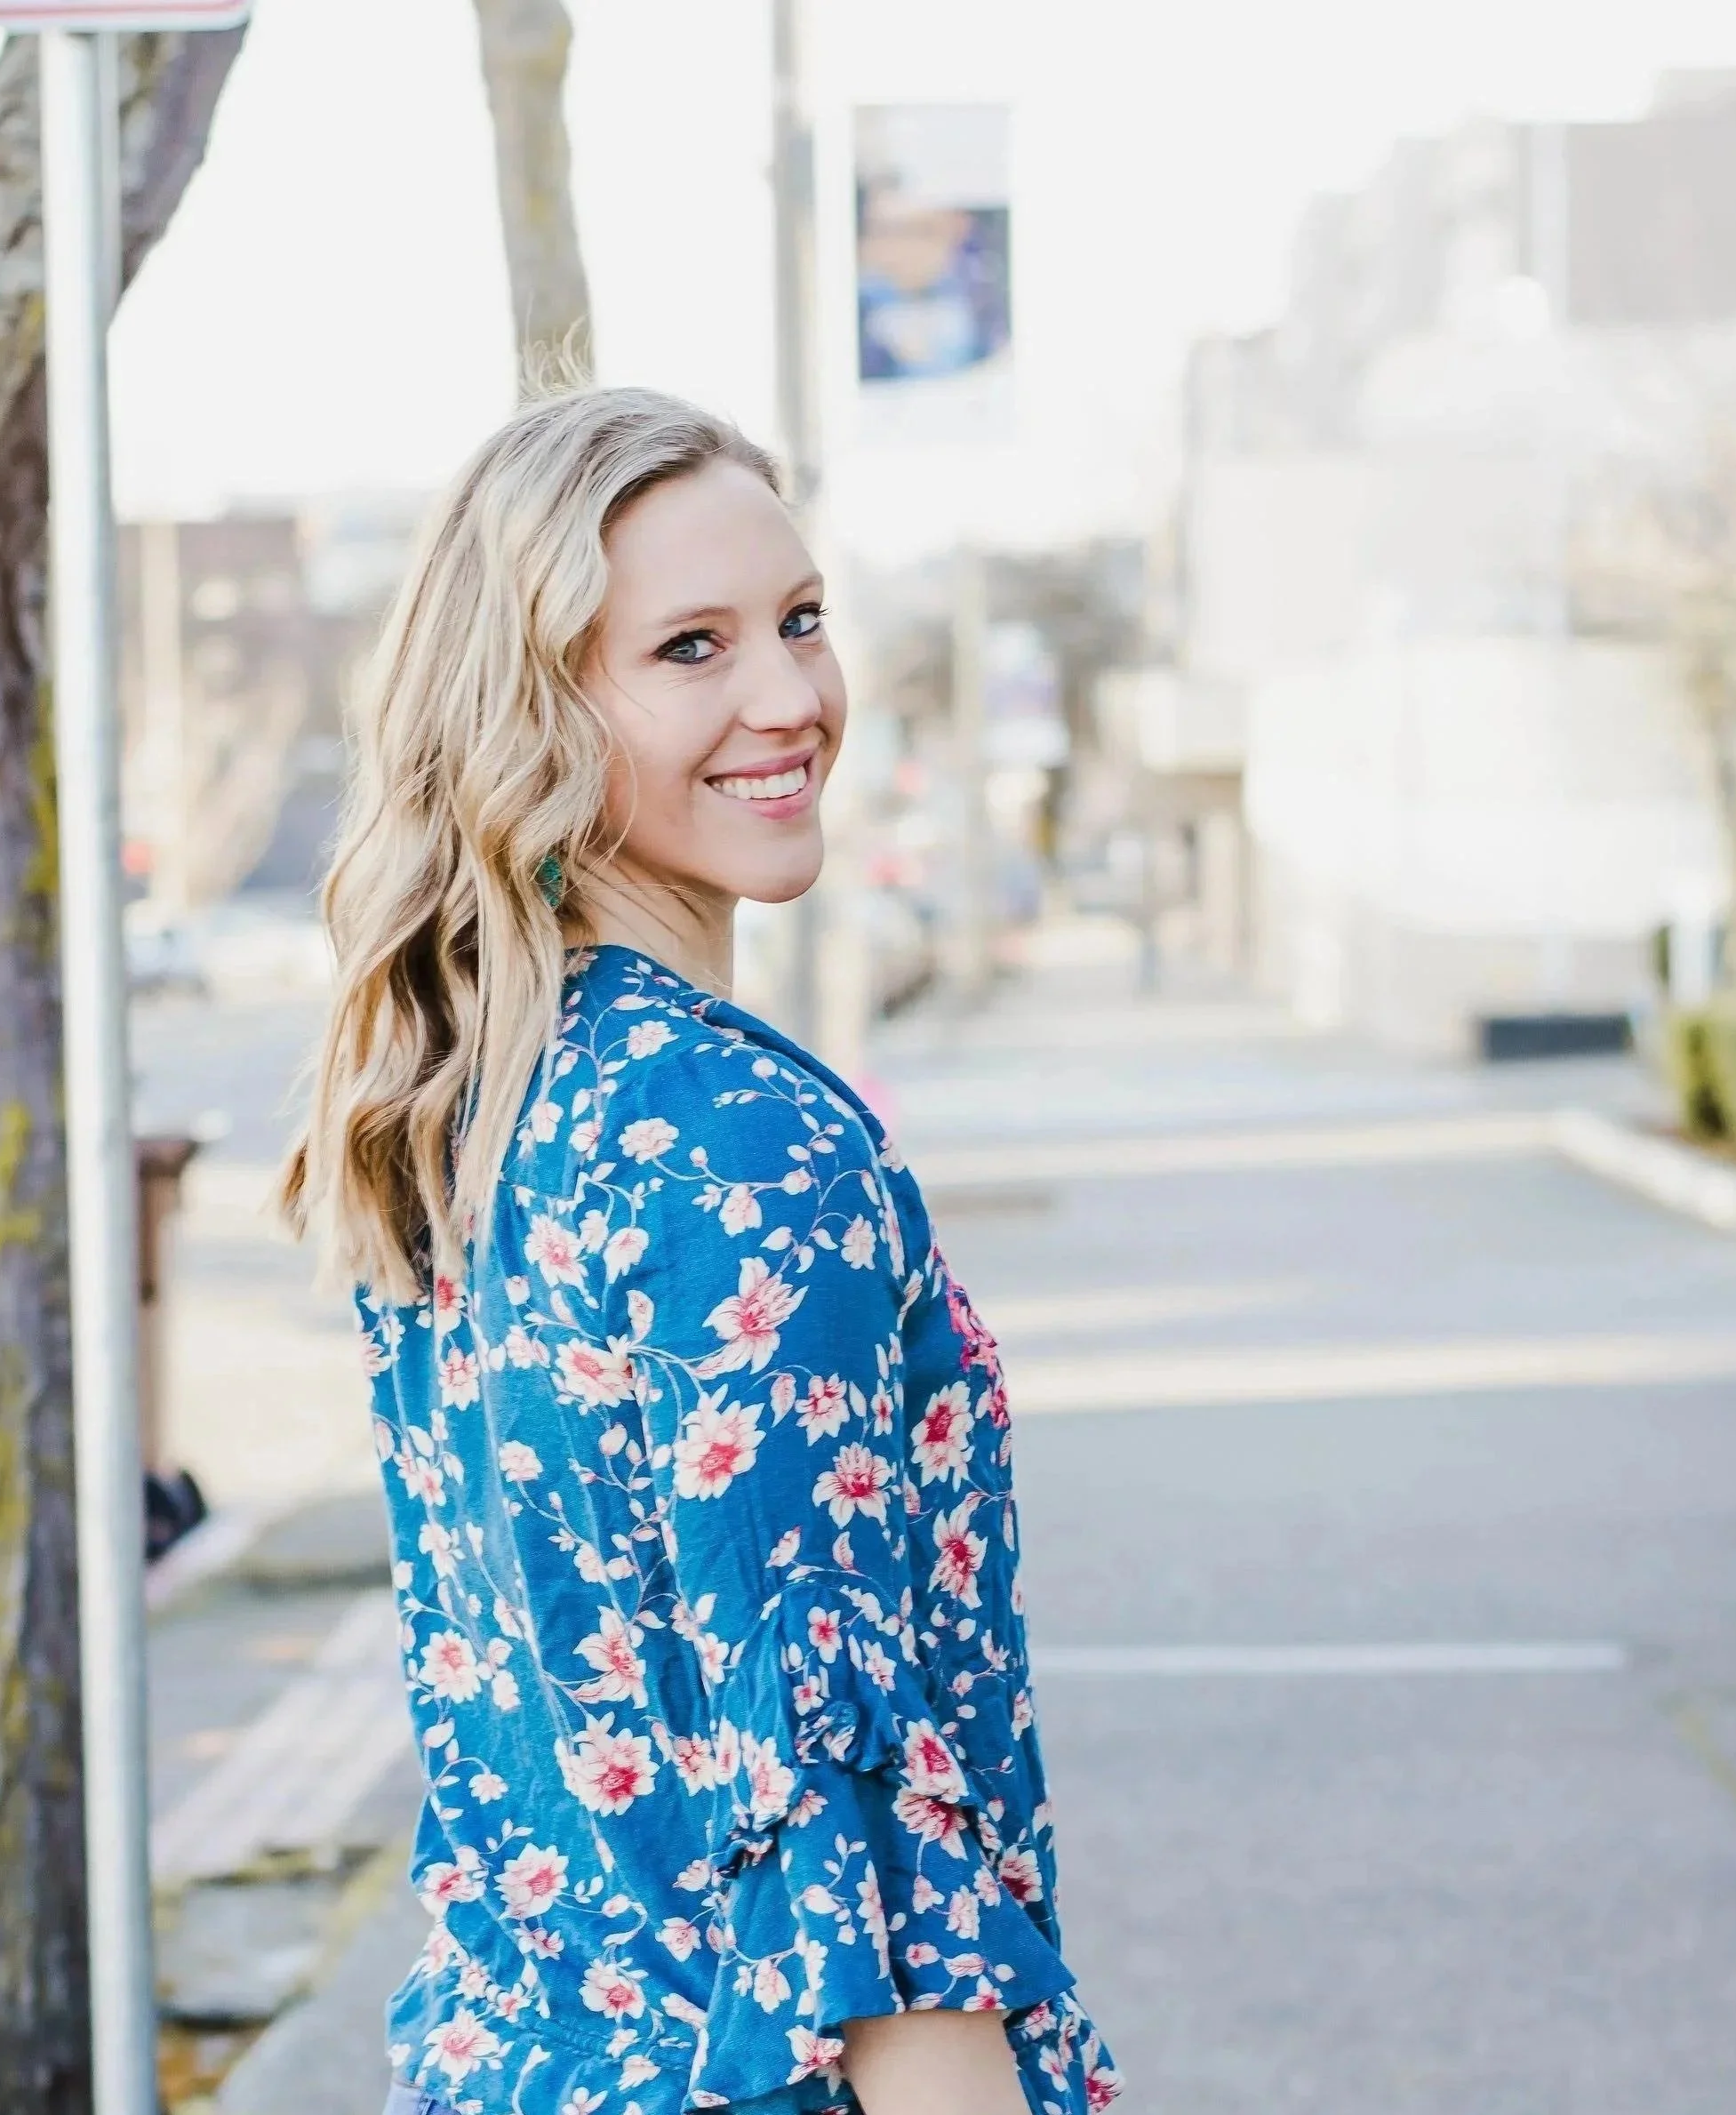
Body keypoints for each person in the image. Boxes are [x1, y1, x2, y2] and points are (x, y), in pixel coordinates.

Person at [283, 386, 1121, 2115]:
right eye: (690, 647)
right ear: (538, 711)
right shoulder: (747, 1148)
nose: (791, 697)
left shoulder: (459, 1115)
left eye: (801, 619)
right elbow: (864, 1876)